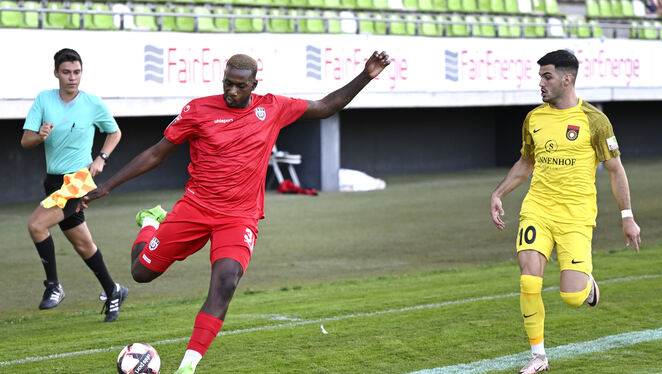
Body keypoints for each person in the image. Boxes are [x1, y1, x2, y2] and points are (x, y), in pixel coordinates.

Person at [80, 51, 390, 373]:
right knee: (141, 273)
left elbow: (327, 106)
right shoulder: (198, 110)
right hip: (196, 207)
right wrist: (108, 186)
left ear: (253, 84)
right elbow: (157, 152)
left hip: (239, 217)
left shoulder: (273, 107)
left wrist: (367, 74)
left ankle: (187, 366)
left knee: (225, 281)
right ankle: (149, 222)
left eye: (239, 86)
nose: (231, 91)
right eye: (227, 83)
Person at [489, 49, 641, 374]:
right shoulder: (534, 118)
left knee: (571, 296)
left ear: (566, 79)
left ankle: (587, 286)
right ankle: (538, 357)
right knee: (529, 278)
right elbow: (525, 163)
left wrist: (627, 217)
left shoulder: (594, 121)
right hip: (537, 209)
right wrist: (499, 193)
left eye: (547, 77)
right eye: (540, 77)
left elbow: (616, 170)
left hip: (576, 216)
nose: (540, 83)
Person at [20, 48, 127, 322]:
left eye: (77, 72)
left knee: (36, 225)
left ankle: (53, 286)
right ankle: (113, 290)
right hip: (53, 181)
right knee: (83, 244)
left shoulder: (92, 103)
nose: (72, 78)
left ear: (81, 73)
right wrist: (40, 135)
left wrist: (101, 158)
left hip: (77, 181)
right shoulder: (44, 99)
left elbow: (115, 132)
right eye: (66, 72)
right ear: (56, 73)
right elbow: (26, 141)